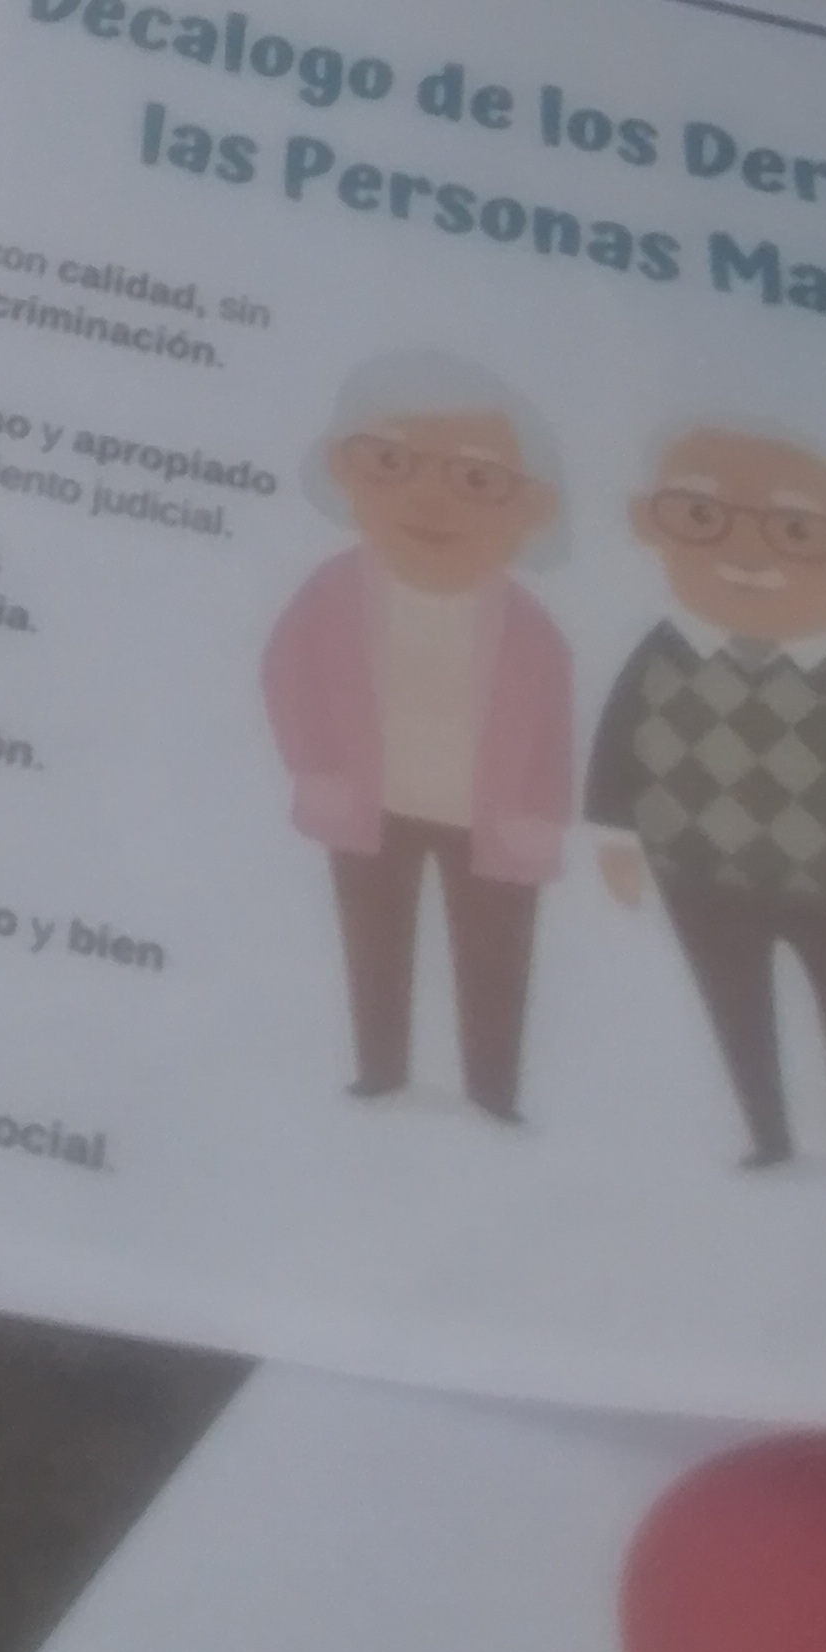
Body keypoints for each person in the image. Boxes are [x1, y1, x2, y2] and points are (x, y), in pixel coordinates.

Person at [588, 426, 826, 1176]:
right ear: (649, 524)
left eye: (797, 532)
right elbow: (617, 745)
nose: (747, 554)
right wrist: (613, 836)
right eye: (701, 517)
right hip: (704, 874)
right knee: (736, 1011)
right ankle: (767, 1137)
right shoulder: (661, 659)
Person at [258, 355, 575, 1123]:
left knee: (495, 956)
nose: (431, 499)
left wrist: (539, 817)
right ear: (345, 470)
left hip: (491, 825)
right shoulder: (331, 594)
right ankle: (380, 1071)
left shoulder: (531, 628)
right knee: (374, 942)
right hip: (370, 808)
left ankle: (494, 1093)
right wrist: (318, 767)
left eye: (477, 480)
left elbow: (554, 733)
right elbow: (287, 675)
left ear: (530, 507)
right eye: (392, 463)